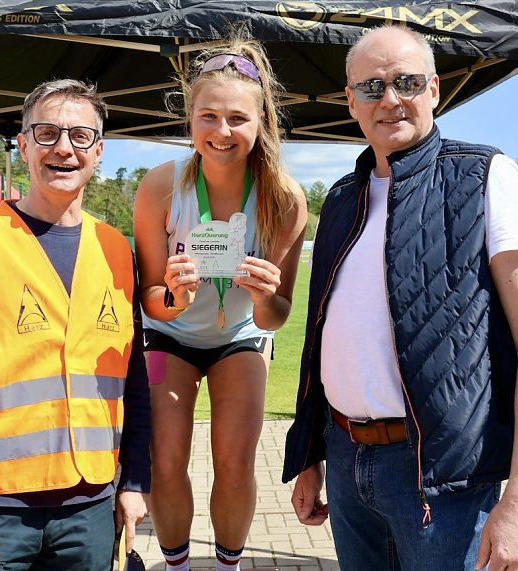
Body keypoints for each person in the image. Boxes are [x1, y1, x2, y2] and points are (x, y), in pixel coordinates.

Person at [282, 25, 518, 571]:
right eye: (371, 87)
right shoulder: (342, 197)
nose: (389, 99)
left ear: (434, 89)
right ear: (351, 101)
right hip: (345, 457)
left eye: (406, 81)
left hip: (442, 479)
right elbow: (319, 342)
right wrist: (311, 455)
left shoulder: (485, 175)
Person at [0, 78, 151, 571]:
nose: (64, 148)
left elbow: (134, 382)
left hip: (90, 507)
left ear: (98, 152)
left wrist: (136, 481)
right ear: (23, 143)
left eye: (80, 136)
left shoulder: (117, 250)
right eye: (46, 132)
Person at [134, 36, 307, 571]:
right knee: (165, 462)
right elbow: (149, 298)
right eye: (208, 116)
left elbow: (277, 314)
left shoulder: (285, 199)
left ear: (261, 123)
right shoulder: (162, 186)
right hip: (170, 336)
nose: (222, 132)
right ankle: (178, 565)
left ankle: (228, 565)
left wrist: (262, 295)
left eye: (238, 118)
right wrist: (173, 295)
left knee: (235, 463)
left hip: (240, 337)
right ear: (190, 119)